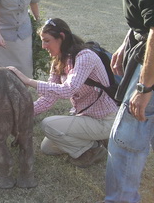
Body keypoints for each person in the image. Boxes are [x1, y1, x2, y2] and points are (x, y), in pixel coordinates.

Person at [71, 0, 154, 203]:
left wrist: (145, 87)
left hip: (151, 64)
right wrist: (128, 39)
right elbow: (144, 18)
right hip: (143, 46)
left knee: (125, 139)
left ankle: (119, 202)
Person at [8, 18, 118, 168]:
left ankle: (92, 150)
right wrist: (21, 113)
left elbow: (68, 89)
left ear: (62, 37)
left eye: (47, 41)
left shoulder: (85, 56)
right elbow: (48, 99)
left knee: (48, 124)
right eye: (42, 41)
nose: (43, 46)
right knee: (47, 148)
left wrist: (28, 81)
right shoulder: (59, 61)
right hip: (85, 116)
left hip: (105, 120)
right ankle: (93, 141)